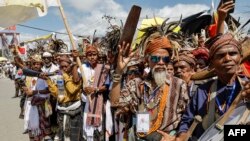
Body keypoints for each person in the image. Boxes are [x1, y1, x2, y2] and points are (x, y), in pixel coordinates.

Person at [110, 34, 189, 141]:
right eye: (156, 58)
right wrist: (119, 70)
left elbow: (186, 117)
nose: (161, 63)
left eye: (165, 59)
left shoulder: (179, 85)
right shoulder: (137, 85)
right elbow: (115, 103)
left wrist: (177, 137)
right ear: (147, 60)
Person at [42, 54, 84, 141]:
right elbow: (59, 96)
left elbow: (72, 90)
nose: (64, 69)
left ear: (70, 66)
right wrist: (48, 80)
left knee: (74, 138)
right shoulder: (60, 78)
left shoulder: (77, 76)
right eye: (62, 67)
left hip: (74, 113)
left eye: (66, 66)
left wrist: (64, 76)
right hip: (62, 111)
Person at [80, 45, 111, 141]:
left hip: (99, 100)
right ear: (86, 56)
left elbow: (106, 86)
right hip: (86, 102)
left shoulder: (103, 68)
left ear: (98, 55)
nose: (92, 57)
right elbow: (77, 80)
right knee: (87, 127)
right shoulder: (82, 67)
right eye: (89, 55)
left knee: (99, 129)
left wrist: (95, 89)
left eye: (94, 54)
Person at [22, 54, 52, 141]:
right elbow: (28, 87)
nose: (36, 65)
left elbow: (49, 90)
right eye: (34, 63)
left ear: (41, 65)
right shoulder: (29, 75)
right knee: (31, 128)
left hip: (42, 105)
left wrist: (34, 92)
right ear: (32, 64)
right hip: (30, 104)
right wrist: (25, 89)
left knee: (42, 131)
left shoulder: (44, 75)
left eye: (38, 64)